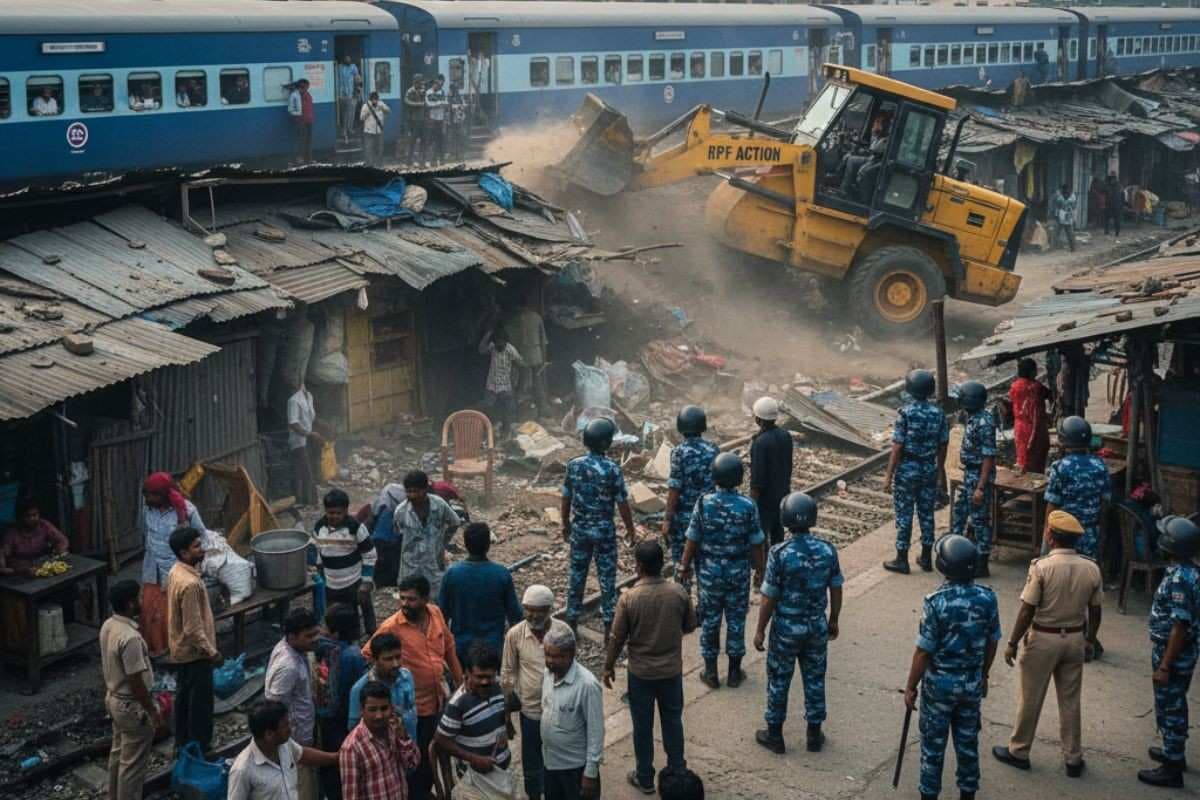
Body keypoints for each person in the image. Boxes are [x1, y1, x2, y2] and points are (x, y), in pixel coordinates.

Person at [992, 511, 1101, 778]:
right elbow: (1095, 610)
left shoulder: (1041, 567)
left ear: (1050, 536)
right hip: (1074, 638)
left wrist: (1012, 642)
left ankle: (1019, 750)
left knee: (1031, 696)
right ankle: (1073, 757)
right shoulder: (1091, 568)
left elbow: (1027, 610)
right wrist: (1089, 639)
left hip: (1043, 638)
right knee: (1070, 700)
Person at [904, 535, 1000, 800]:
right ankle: (967, 793)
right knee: (967, 743)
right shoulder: (987, 599)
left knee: (933, 747)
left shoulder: (936, 602)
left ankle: (929, 794)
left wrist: (911, 687)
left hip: (939, 687)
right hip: (971, 684)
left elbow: (924, 651)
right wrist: (983, 673)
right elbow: (992, 641)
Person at [753, 492, 842, 755]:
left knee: (779, 680)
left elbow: (769, 596)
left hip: (785, 629)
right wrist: (833, 620)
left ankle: (775, 734)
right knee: (814, 679)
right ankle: (814, 734)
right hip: (816, 627)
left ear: (785, 519)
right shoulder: (827, 550)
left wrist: (760, 629)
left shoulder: (779, 553)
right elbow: (836, 588)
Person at [604, 542, 696, 795]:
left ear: (639, 566)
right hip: (671, 672)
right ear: (661, 563)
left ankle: (644, 776)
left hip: (641, 674)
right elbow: (690, 625)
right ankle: (677, 771)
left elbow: (617, 638)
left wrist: (608, 667)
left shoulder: (629, 598)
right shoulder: (678, 592)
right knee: (673, 721)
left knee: (642, 726)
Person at [365, 575, 462, 800]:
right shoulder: (391, 627)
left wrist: (460, 684)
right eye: (402, 598)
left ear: (426, 599)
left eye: (412, 599)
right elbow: (369, 654)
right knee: (416, 763)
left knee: (436, 755)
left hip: (439, 701)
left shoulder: (435, 613)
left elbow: (449, 647)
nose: (405, 604)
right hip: (413, 709)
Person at [678, 452, 764, 690]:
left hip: (709, 574)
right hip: (738, 573)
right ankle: (735, 673)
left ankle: (711, 672)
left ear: (714, 476)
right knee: (736, 620)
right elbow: (757, 542)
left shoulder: (703, 503)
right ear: (739, 477)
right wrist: (760, 570)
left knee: (710, 621)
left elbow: (692, 538)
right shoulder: (748, 506)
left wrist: (684, 566)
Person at [1137, 516, 1200, 788]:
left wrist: (1164, 665)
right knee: (1174, 703)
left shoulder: (1180, 579)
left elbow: (1179, 625)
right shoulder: (1188, 572)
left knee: (1171, 706)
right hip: (1178, 652)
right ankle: (1173, 752)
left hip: (1173, 653)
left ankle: (1172, 768)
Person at [561, 418, 636, 642]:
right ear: (606, 442)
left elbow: (566, 497)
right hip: (604, 532)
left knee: (577, 576)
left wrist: (565, 524)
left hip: (580, 530)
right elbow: (622, 502)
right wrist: (630, 528)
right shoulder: (612, 469)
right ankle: (608, 630)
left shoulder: (574, 465)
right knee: (607, 580)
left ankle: (571, 622)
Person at [502, 585, 572, 800]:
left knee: (558, 756)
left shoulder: (563, 632)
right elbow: (507, 672)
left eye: (538, 610)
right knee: (532, 761)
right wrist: (507, 713)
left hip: (559, 709)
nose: (532, 615)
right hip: (531, 711)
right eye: (528, 609)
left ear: (549, 609)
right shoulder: (515, 635)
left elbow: (572, 668)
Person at [100, 580, 161, 800]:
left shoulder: (108, 625)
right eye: (139, 597)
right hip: (131, 705)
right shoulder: (131, 638)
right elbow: (136, 683)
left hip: (114, 699)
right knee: (133, 765)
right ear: (130, 603)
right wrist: (152, 711)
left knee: (119, 754)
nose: (142, 601)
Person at [884, 369, 949, 575]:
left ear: (910, 389)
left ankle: (901, 559)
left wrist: (888, 476)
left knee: (905, 514)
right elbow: (943, 445)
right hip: (929, 468)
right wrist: (939, 471)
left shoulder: (905, 413)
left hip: (907, 469)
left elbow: (897, 447)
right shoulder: (939, 414)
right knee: (926, 513)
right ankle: (926, 558)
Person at [166, 526, 221, 751]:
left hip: (181, 650)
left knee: (183, 701)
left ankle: (182, 744)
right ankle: (201, 749)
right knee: (200, 706)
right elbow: (193, 629)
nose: (202, 549)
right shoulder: (190, 584)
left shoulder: (175, 572)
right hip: (195, 653)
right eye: (197, 546)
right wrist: (212, 652)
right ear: (184, 553)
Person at [434, 643, 514, 799]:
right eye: (479, 677)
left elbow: (508, 710)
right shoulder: (458, 703)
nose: (484, 682)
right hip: (475, 779)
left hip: (502, 772)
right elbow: (441, 739)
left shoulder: (499, 687)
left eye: (489, 677)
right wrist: (474, 759)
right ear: (467, 673)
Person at [141, 472, 205, 656]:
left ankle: (180, 652)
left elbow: (201, 535)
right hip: (153, 568)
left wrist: (195, 564)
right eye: (146, 495)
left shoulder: (187, 510)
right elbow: (146, 534)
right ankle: (158, 649)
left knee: (176, 613)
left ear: (164, 495)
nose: (148, 499)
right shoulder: (148, 509)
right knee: (151, 611)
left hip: (176, 569)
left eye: (153, 495)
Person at [439, 522, 522, 665]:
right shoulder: (501, 574)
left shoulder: (452, 574)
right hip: (493, 648)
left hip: (461, 648)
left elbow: (442, 616)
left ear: (466, 544)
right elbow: (515, 616)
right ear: (488, 544)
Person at [541, 628, 604, 800]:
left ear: (571, 654)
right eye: (547, 655)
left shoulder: (588, 685)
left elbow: (596, 732)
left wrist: (590, 772)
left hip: (575, 770)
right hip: (550, 764)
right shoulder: (548, 674)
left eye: (557, 656)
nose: (550, 661)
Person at [229, 701, 339, 800]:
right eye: (285, 725)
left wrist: (336, 758)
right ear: (269, 734)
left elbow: (302, 754)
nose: (290, 729)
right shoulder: (242, 770)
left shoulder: (284, 744)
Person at [661, 405, 719, 591]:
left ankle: (683, 600)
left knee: (682, 564)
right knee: (705, 564)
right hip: (708, 515)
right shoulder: (713, 450)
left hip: (683, 520)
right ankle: (704, 602)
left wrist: (667, 519)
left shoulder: (679, 452)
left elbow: (674, 488)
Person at [265, 608, 322, 800]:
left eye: (316, 633)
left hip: (303, 739)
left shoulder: (298, 650)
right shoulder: (288, 666)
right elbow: (273, 709)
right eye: (309, 636)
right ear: (292, 637)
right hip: (294, 746)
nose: (315, 639)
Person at [315, 604, 369, 800]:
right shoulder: (354, 654)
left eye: (325, 626)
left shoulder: (328, 650)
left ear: (335, 633)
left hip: (332, 720)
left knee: (334, 770)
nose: (321, 630)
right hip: (347, 719)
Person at [1043, 416, 1111, 561]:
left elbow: (1052, 506)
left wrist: (1047, 535)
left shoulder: (1059, 467)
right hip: (1091, 535)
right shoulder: (1100, 466)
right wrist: (1102, 534)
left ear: (1063, 440)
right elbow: (1105, 504)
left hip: (1064, 536)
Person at [339, 681, 421, 800]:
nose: (379, 715)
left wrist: (403, 736)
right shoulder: (352, 748)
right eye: (372, 710)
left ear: (391, 708)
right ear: (361, 710)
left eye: (384, 708)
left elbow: (413, 763)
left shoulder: (394, 730)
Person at [312, 488, 377, 636]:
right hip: (331, 583)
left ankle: (371, 635)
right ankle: (343, 640)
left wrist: (366, 580)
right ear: (325, 510)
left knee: (361, 608)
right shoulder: (319, 527)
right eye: (330, 513)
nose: (334, 516)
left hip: (354, 581)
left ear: (346, 511)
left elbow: (369, 554)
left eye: (338, 513)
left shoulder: (355, 528)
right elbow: (318, 552)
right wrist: (320, 576)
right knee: (337, 617)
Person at [950, 382, 997, 578]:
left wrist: (980, 487)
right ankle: (954, 551)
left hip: (978, 476)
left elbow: (988, 456)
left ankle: (982, 562)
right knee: (960, 511)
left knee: (979, 519)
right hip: (970, 474)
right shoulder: (974, 418)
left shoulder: (984, 423)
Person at [391, 470, 461, 599]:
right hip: (410, 566)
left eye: (416, 491)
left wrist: (443, 542)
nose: (412, 495)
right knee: (411, 600)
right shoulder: (401, 511)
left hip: (434, 563)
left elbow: (454, 522)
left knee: (437, 599)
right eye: (409, 491)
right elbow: (398, 533)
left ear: (425, 489)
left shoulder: (439, 505)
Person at [347, 633, 418, 743]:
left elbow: (411, 708)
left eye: (398, 657)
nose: (395, 664)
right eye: (388, 659)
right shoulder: (360, 688)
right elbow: (353, 728)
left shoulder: (406, 676)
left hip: (409, 744)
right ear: (374, 660)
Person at [749, 396, 792, 546]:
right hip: (782, 493)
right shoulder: (786, 436)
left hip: (765, 499)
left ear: (758, 419)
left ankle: (764, 559)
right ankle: (777, 556)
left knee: (760, 534)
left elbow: (757, 479)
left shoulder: (760, 443)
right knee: (777, 532)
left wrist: (752, 504)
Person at [502, 293, 550, 416]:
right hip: (536, 356)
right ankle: (542, 410)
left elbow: (509, 340)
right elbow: (543, 341)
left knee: (520, 384)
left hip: (522, 356)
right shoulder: (537, 317)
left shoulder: (513, 320)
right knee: (538, 383)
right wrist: (544, 358)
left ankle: (518, 412)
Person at [0, 497, 68, 576]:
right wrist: (4, 567)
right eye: (28, 516)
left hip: (43, 564)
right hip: (22, 570)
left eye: (35, 515)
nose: (32, 518)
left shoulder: (44, 525)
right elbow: (3, 554)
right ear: (21, 517)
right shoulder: (12, 534)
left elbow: (62, 540)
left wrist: (60, 549)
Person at [478, 327, 525, 438]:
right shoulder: (492, 347)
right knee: (488, 407)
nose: (499, 345)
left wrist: (518, 382)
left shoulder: (510, 349)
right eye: (497, 342)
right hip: (491, 384)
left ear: (505, 341)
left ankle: (506, 431)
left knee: (508, 409)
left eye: (501, 343)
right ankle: (493, 429)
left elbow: (521, 364)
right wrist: (488, 334)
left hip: (505, 385)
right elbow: (481, 350)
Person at [1009, 358, 1051, 474]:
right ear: (1031, 371)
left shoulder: (1014, 386)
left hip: (1020, 426)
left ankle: (1024, 478)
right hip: (1035, 426)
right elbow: (1049, 394)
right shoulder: (1035, 387)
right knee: (1036, 456)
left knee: (1023, 457)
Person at [288, 379, 322, 505]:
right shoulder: (294, 401)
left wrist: (322, 426)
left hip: (308, 440)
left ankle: (303, 500)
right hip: (298, 442)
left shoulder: (309, 397)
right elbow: (293, 423)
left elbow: (310, 418)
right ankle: (308, 501)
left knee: (304, 470)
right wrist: (310, 434)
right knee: (306, 471)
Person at [288, 79, 315, 164]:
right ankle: (299, 158)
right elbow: (290, 110)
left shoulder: (307, 94)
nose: (307, 89)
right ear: (300, 87)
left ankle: (308, 158)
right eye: (305, 87)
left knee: (308, 140)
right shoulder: (294, 95)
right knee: (301, 140)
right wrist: (298, 114)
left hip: (309, 120)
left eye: (307, 87)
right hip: (300, 121)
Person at [360, 92, 389, 166]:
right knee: (369, 149)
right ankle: (370, 164)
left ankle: (379, 164)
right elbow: (361, 118)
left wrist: (383, 108)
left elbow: (388, 110)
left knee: (380, 149)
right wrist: (368, 113)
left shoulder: (381, 104)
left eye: (376, 99)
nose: (375, 101)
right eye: (373, 99)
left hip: (379, 130)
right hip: (369, 131)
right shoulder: (366, 106)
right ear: (371, 99)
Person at [424, 75, 448, 164]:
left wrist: (441, 104)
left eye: (439, 85)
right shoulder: (428, 92)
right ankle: (433, 160)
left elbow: (445, 102)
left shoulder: (442, 92)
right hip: (432, 119)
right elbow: (428, 104)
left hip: (441, 119)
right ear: (433, 84)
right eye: (436, 84)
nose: (437, 86)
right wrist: (438, 104)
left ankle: (442, 159)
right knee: (432, 140)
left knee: (441, 139)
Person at [337, 55, 361, 143]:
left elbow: (358, 79)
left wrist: (358, 92)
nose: (348, 60)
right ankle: (345, 130)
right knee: (345, 114)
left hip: (351, 94)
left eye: (349, 58)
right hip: (341, 94)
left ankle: (349, 129)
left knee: (351, 112)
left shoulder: (353, 67)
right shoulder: (339, 67)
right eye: (346, 58)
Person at [403, 77, 426, 163]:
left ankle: (421, 159)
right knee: (413, 140)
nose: (420, 84)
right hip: (413, 119)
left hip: (422, 118)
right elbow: (406, 101)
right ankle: (409, 160)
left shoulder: (422, 90)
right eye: (419, 83)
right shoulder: (410, 91)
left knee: (423, 139)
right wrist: (418, 104)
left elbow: (425, 101)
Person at [1053, 184, 1077, 252]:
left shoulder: (1073, 197)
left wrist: (1074, 218)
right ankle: (1053, 247)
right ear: (1063, 191)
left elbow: (1074, 208)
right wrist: (1056, 215)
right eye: (1065, 191)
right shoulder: (1059, 197)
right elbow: (1057, 207)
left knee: (1070, 234)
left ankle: (1073, 248)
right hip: (1060, 217)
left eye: (1068, 191)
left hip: (1068, 217)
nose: (1067, 192)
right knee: (1056, 233)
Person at [447, 83, 467, 161]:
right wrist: (457, 106)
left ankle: (460, 155)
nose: (455, 90)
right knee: (452, 138)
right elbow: (449, 107)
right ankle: (453, 155)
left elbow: (463, 106)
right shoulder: (449, 97)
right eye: (453, 89)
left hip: (459, 120)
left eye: (455, 89)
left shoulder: (460, 97)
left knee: (460, 137)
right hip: (452, 120)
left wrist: (459, 107)